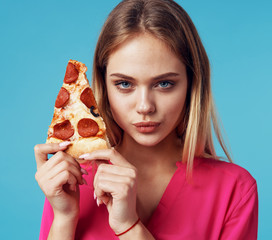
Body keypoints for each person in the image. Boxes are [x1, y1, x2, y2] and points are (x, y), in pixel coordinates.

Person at [34, 0, 258, 239]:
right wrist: (64, 218)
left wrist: (129, 227)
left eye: (164, 84)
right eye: (124, 84)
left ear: (192, 85)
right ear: (103, 86)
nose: (145, 106)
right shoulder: (71, 180)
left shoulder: (234, 190)